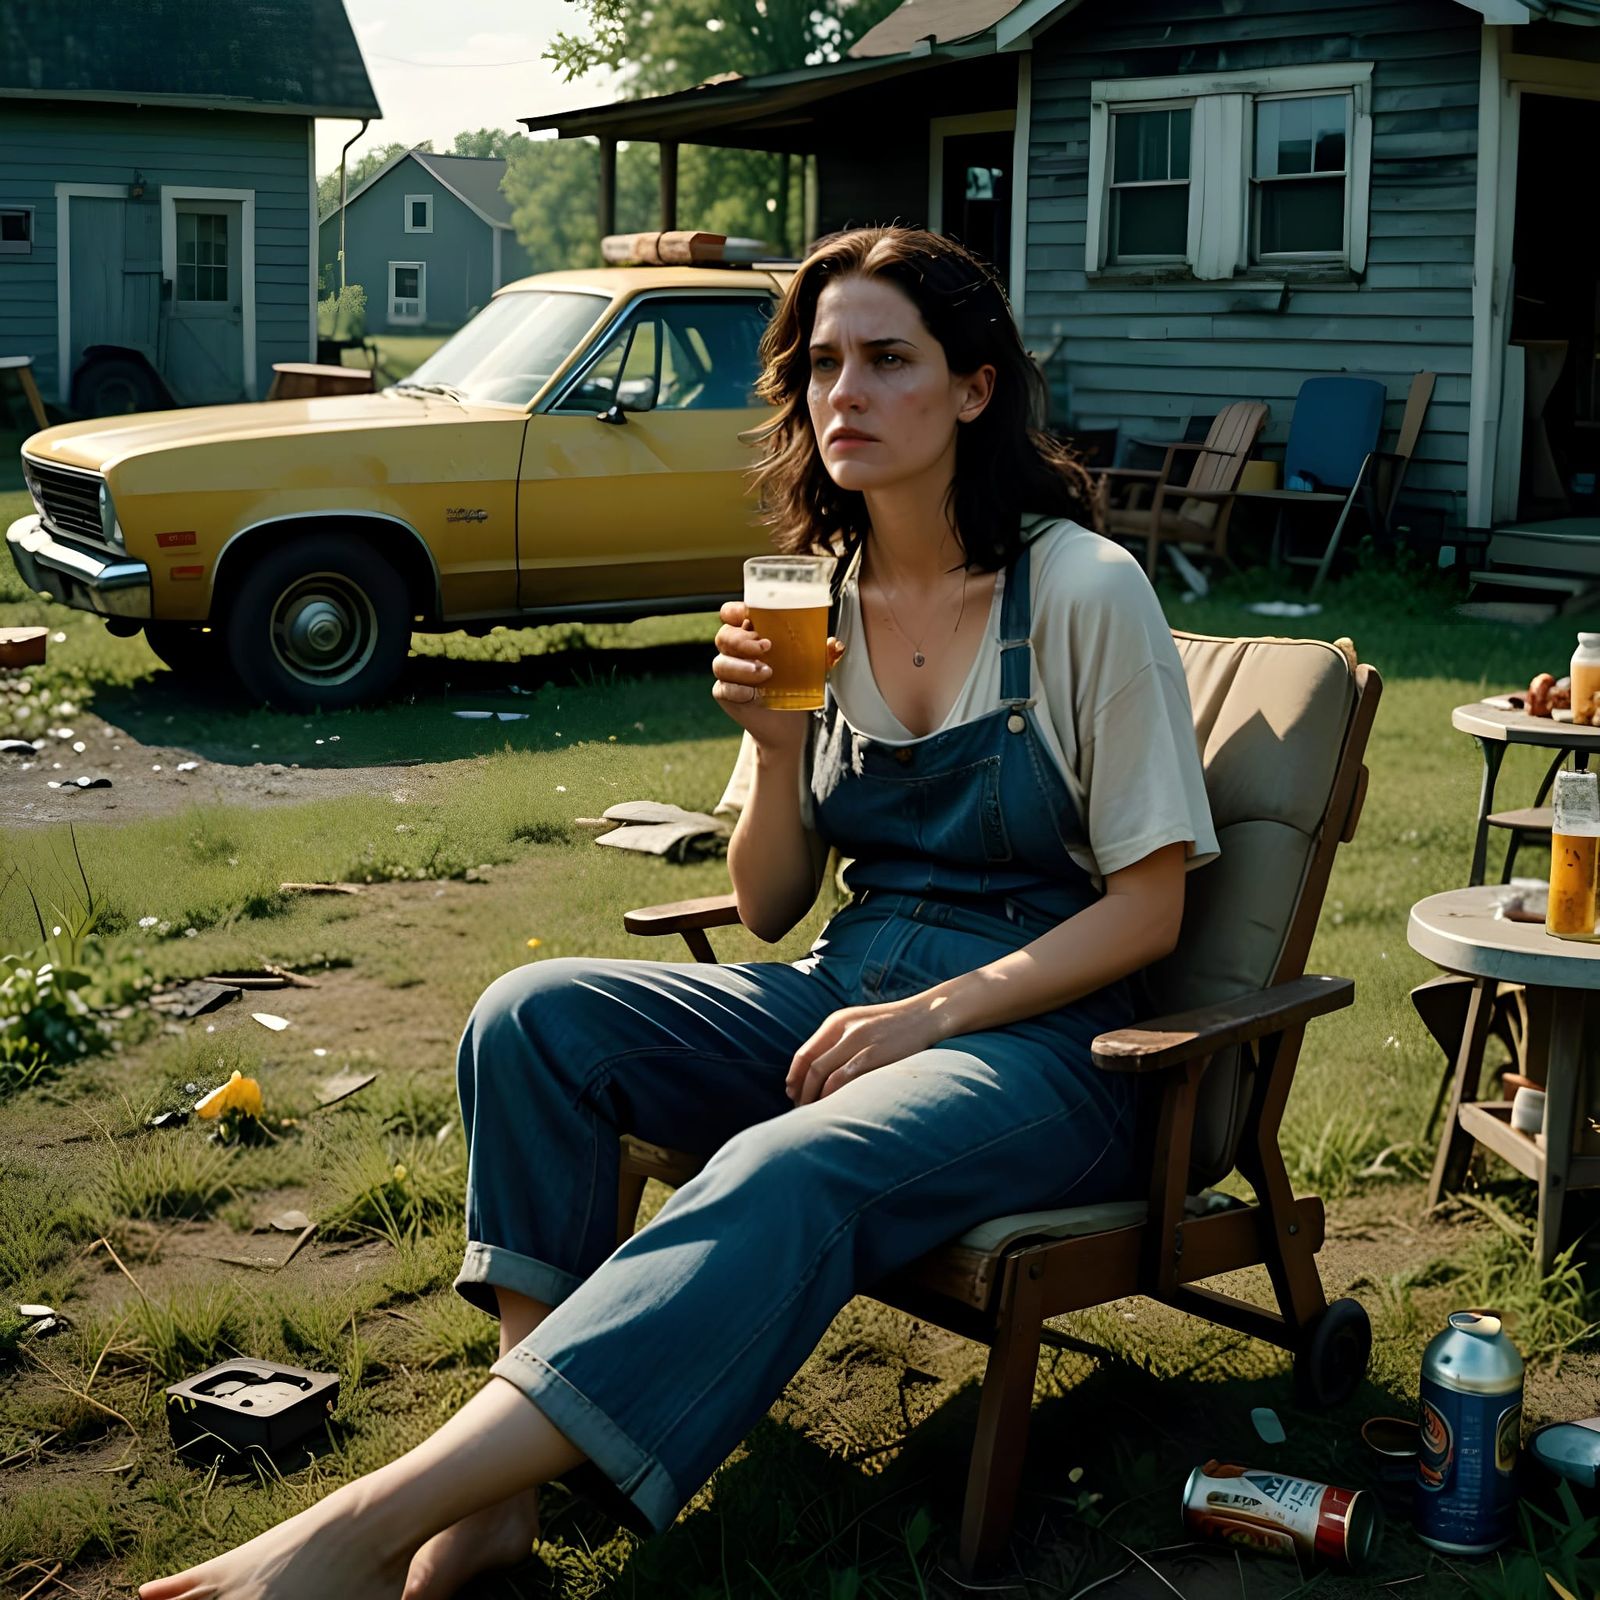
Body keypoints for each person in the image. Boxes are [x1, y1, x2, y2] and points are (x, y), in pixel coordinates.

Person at [135, 226, 1218, 1600]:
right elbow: (771, 908)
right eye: (822, 362)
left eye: (891, 360)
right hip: (849, 982)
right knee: (530, 1018)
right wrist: (772, 746)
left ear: (974, 391)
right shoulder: (816, 594)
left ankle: (354, 1530)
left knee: (790, 1162)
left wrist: (930, 1017)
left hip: (1049, 1047)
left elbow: (1148, 913)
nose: (847, 394)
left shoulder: (1080, 589)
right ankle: (507, 1490)